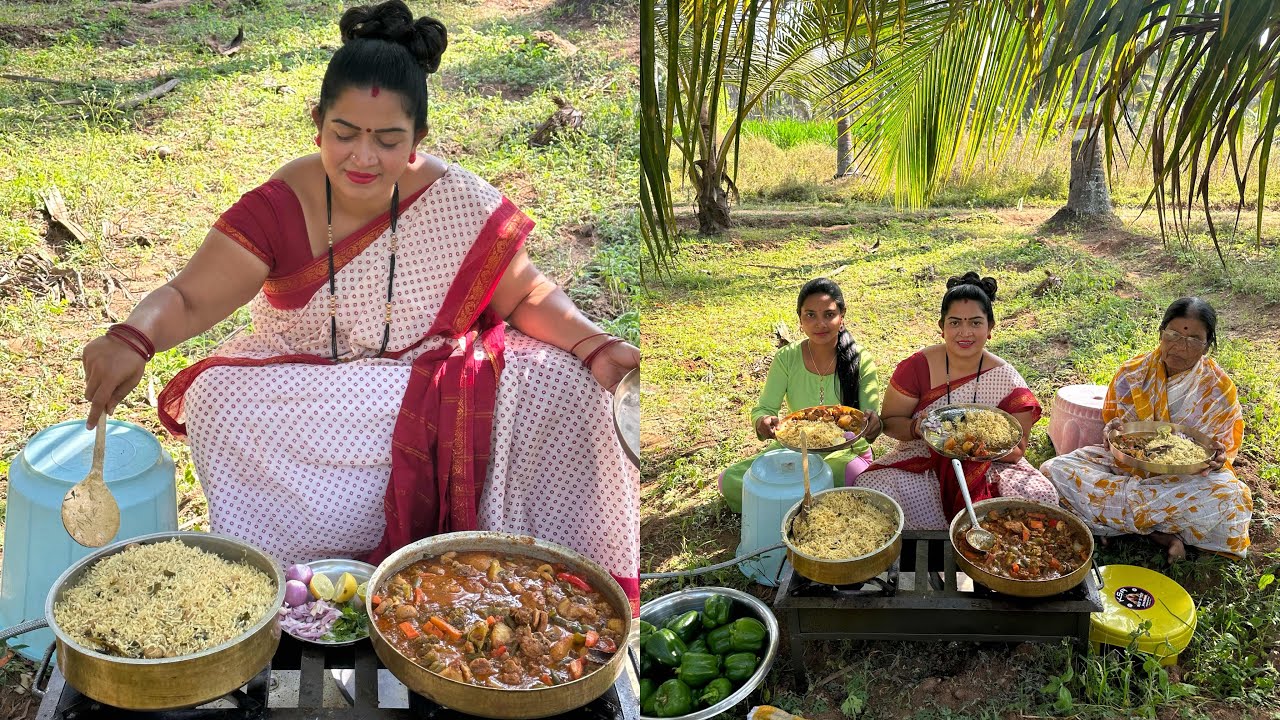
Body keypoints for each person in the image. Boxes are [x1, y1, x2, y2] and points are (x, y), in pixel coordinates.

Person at [79, 0, 640, 611]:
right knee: (217, 399)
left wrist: (595, 344)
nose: (363, 158)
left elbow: (526, 293)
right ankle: (285, 583)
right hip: (303, 388)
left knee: (568, 380)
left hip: (429, 381)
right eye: (344, 134)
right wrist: (132, 338)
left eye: (388, 139)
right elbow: (187, 297)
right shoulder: (280, 205)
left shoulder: (455, 199)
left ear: (418, 141)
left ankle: (543, 585)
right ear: (318, 123)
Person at [1042, 298, 1250, 561]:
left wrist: (1218, 460)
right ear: (1161, 333)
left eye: (1193, 339)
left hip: (1184, 481)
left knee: (1229, 494)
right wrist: (1112, 432)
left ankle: (1113, 522)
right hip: (1126, 468)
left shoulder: (1218, 389)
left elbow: (1220, 452)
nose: (1179, 346)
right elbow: (1118, 435)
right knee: (1054, 470)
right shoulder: (1133, 373)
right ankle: (1159, 532)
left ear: (1207, 345)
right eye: (1173, 335)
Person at [855, 272, 1058, 528]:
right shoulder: (918, 367)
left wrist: (974, 447)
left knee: (1041, 495)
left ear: (990, 328)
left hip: (989, 464)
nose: (965, 332)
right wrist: (915, 428)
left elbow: (1017, 451)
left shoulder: (1006, 379)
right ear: (942, 328)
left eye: (975, 323)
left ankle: (996, 551)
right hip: (923, 458)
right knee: (871, 487)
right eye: (954, 323)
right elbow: (891, 422)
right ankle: (920, 554)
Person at [719, 278, 883, 512]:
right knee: (730, 481)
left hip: (843, 453)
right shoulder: (787, 358)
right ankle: (805, 503)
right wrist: (764, 422)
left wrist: (873, 424)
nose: (820, 324)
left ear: (842, 316)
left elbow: (868, 421)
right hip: (795, 450)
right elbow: (765, 408)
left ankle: (787, 503)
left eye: (829, 314)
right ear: (800, 320)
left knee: (857, 477)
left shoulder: (860, 360)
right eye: (810, 315)